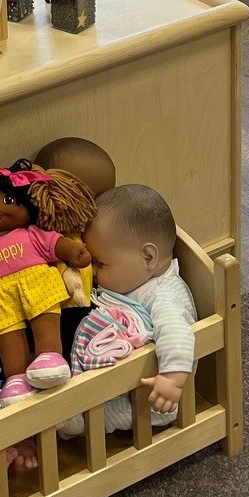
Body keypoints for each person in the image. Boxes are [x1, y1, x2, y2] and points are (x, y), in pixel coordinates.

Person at [58, 184, 195, 438]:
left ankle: (86, 421)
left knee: (81, 419)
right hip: (125, 376)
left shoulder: (164, 295)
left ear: (148, 257)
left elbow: (177, 334)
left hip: (151, 399)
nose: (94, 271)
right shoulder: (136, 280)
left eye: (101, 263)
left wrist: (172, 380)